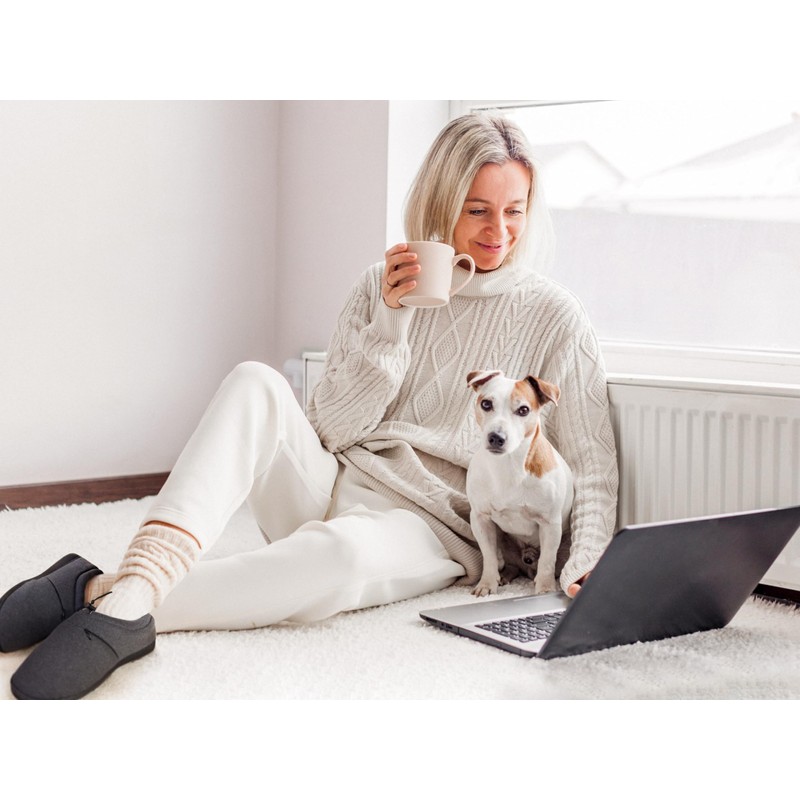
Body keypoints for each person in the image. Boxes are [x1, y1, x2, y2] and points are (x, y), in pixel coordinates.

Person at [0, 112, 619, 700]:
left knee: (339, 560)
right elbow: (330, 427)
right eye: (478, 209)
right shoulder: (380, 285)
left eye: (515, 211)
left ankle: (106, 593)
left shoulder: (554, 316)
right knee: (254, 381)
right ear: (440, 201)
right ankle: (142, 578)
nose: (499, 231)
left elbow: (591, 462)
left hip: (431, 524)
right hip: (332, 479)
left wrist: (586, 563)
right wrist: (391, 325)